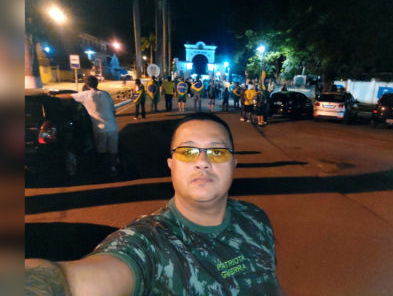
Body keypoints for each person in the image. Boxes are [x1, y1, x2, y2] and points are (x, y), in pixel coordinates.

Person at [25, 112, 283, 295]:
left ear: (233, 166)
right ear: (171, 166)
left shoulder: (255, 219)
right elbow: (72, 282)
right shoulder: (149, 242)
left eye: (217, 152)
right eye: (187, 151)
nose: (202, 161)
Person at [54, 75, 118, 176]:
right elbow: (114, 111)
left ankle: (103, 169)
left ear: (87, 85)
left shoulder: (85, 95)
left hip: (99, 129)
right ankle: (113, 168)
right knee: (113, 150)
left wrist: (52, 95)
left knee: (101, 151)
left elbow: (67, 96)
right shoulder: (106, 94)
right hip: (113, 127)